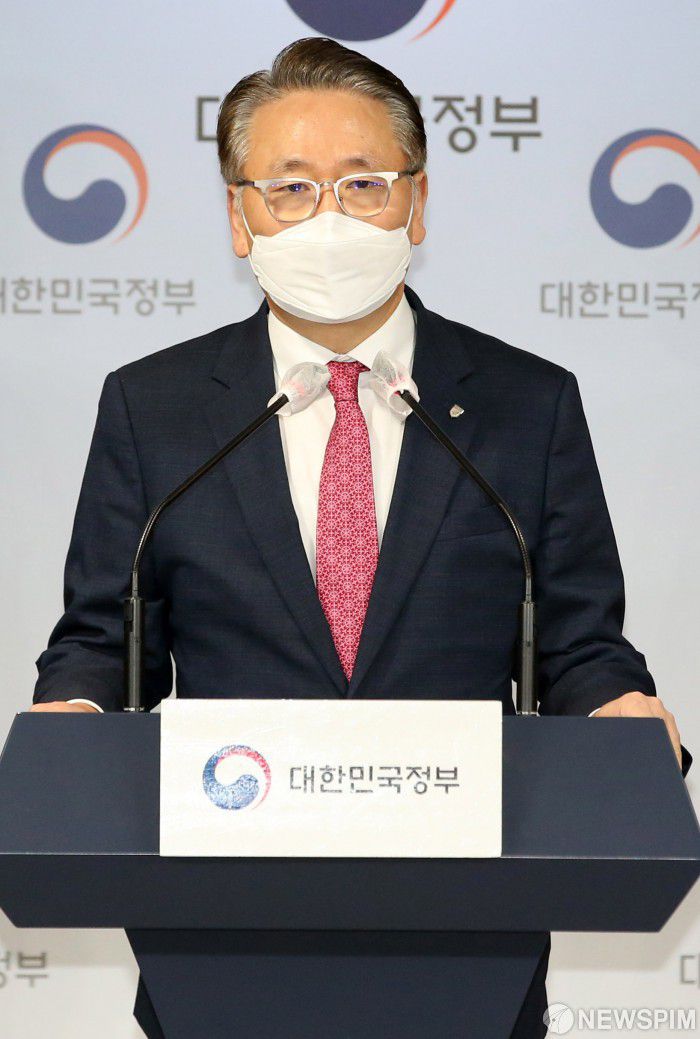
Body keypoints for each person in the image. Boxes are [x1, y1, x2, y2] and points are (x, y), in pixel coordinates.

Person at [30, 36, 690, 1039]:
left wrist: (619, 708)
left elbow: (576, 641)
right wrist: (72, 716)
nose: (328, 217)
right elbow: (102, 637)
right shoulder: (154, 408)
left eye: (364, 183)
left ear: (416, 204)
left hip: (467, 922)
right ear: (240, 217)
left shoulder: (526, 403)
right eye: (290, 188)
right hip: (221, 918)